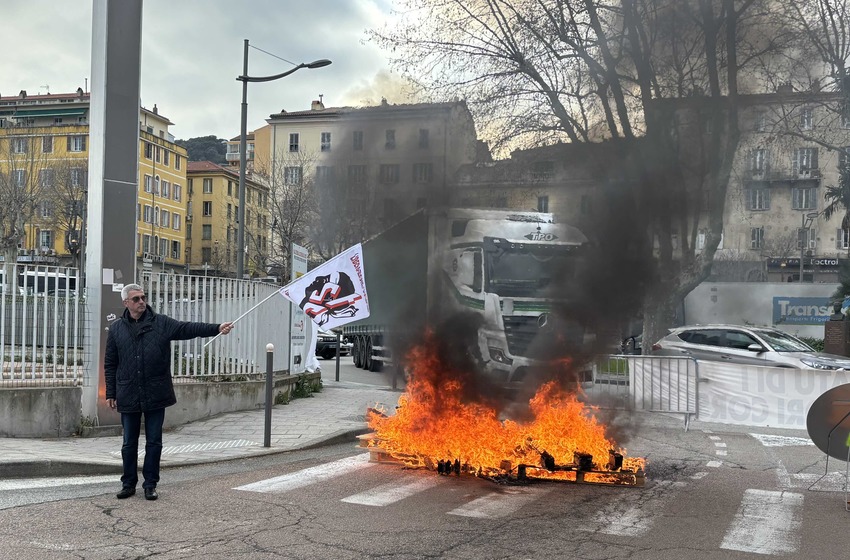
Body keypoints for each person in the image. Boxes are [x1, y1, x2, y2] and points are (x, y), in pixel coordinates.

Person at [104, 283, 234, 501]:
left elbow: (187, 328)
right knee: (129, 443)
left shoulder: (161, 323)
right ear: (126, 302)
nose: (142, 302)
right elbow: (110, 363)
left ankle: (150, 484)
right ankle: (128, 484)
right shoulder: (117, 329)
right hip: (128, 392)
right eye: (136, 299)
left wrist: (216, 327)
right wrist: (111, 392)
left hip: (156, 391)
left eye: (143, 297)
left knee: (154, 441)